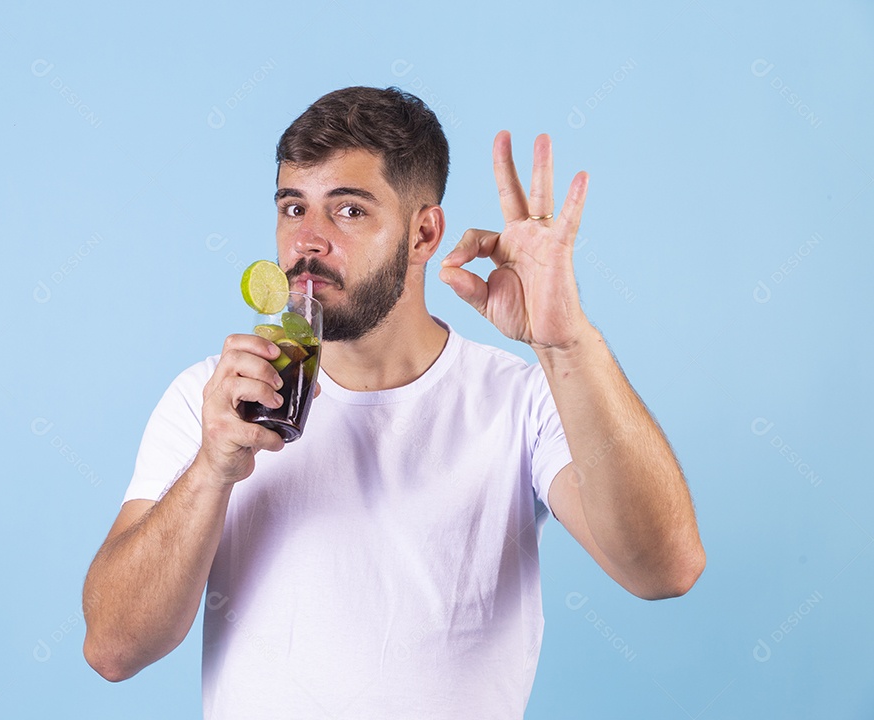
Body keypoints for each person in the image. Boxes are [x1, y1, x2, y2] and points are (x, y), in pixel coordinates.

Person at [82, 86, 705, 717]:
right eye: (293, 209)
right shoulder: (213, 401)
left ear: (424, 232)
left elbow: (664, 568)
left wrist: (568, 343)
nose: (308, 243)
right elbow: (114, 648)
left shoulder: (520, 401)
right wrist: (213, 468)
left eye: (348, 211)